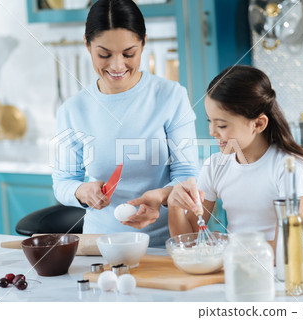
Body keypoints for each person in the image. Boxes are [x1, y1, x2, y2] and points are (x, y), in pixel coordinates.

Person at [52, 0, 199, 247]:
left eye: (129, 54)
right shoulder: (72, 110)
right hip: (100, 245)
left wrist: (162, 196)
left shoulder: (171, 96)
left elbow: (188, 174)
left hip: (163, 244)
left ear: (143, 43)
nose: (117, 66)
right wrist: (82, 192)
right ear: (87, 46)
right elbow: (63, 182)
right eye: (104, 55)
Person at [167, 65, 303, 261]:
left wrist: (224, 250)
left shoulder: (290, 168)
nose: (212, 132)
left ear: (258, 124)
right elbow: (190, 242)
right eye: (209, 122)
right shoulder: (215, 165)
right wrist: (174, 205)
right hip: (242, 269)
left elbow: (285, 249)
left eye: (221, 125)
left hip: (290, 274)